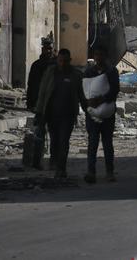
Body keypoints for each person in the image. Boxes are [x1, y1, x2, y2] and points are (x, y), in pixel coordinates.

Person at [34, 48, 82, 178]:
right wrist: (39, 112)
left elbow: (81, 95)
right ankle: (54, 162)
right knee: (54, 141)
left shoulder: (76, 75)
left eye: (65, 61)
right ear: (57, 61)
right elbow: (43, 93)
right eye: (60, 61)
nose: (63, 64)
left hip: (68, 115)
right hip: (51, 114)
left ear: (70, 61)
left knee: (64, 141)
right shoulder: (50, 72)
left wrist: (88, 111)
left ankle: (61, 168)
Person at [81, 45, 120, 183]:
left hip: (107, 114)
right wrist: (88, 106)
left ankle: (109, 172)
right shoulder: (89, 72)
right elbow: (83, 92)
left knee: (107, 143)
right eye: (96, 54)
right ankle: (91, 172)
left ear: (105, 56)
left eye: (101, 54)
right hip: (92, 115)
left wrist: (101, 100)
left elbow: (115, 90)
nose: (98, 57)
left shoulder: (111, 71)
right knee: (92, 143)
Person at [25, 38, 55, 169]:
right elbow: (31, 85)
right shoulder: (36, 65)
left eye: (50, 48)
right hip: (40, 106)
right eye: (46, 48)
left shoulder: (56, 65)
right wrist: (30, 103)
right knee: (39, 134)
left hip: (54, 105)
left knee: (55, 136)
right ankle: (37, 162)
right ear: (42, 49)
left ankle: (54, 162)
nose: (48, 51)